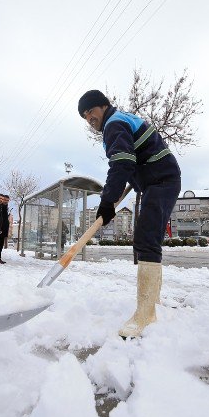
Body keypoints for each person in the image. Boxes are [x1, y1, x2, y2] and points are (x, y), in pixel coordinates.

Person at [78, 89, 181, 338]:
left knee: (146, 239)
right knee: (149, 239)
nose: (89, 118)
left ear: (103, 106)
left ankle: (145, 314)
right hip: (158, 181)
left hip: (161, 182)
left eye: (91, 110)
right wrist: (131, 185)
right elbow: (134, 160)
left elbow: (122, 162)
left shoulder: (114, 124)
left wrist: (107, 202)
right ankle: (152, 303)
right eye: (84, 116)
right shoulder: (119, 121)